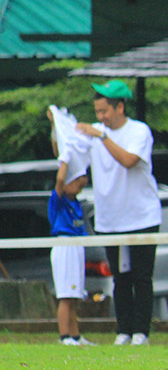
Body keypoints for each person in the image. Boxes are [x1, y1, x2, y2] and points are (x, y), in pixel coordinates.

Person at [75, 80, 161, 346]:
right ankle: (123, 330)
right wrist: (59, 128)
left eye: (105, 112)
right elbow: (68, 157)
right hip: (111, 220)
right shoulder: (95, 133)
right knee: (120, 278)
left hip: (142, 217)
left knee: (141, 277)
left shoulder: (139, 131)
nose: (100, 118)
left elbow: (128, 161)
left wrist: (102, 136)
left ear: (120, 107)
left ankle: (141, 333)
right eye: (97, 112)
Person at [47, 106, 95, 346]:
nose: (78, 185)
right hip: (64, 245)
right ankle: (64, 336)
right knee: (65, 295)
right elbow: (60, 179)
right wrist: (65, 156)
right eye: (74, 182)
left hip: (77, 245)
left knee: (75, 295)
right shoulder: (58, 201)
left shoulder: (77, 202)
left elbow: (82, 177)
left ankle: (75, 335)